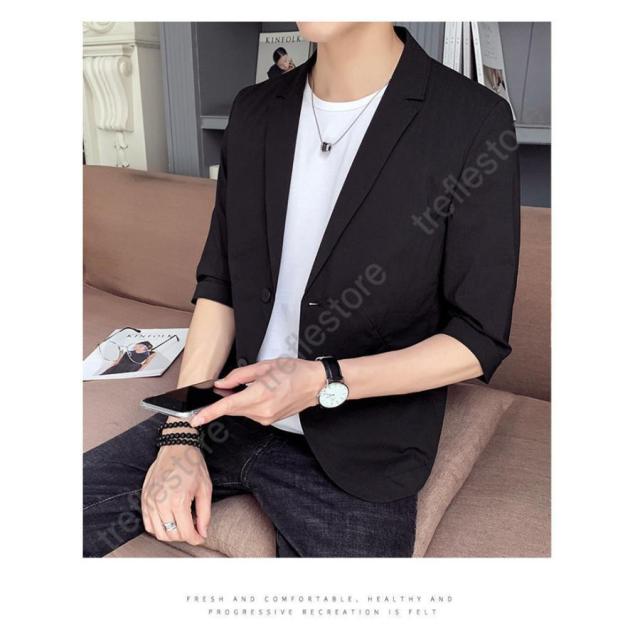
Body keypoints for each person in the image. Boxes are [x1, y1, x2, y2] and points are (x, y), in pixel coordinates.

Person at [84, 22, 520, 558]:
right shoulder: (254, 110)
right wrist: (181, 432)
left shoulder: (471, 120)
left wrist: (322, 380)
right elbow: (220, 284)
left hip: (362, 444)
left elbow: (477, 337)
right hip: (228, 409)